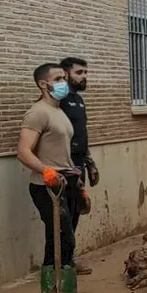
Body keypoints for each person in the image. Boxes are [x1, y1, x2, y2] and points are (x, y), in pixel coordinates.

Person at [16, 63, 80, 275]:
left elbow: (61, 150)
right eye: (58, 79)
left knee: (66, 238)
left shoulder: (58, 111)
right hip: (47, 186)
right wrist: (47, 171)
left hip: (65, 181)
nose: (64, 83)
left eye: (64, 78)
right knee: (60, 238)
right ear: (43, 84)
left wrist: (76, 180)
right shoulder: (38, 113)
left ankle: (63, 281)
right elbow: (23, 151)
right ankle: (52, 284)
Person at [59, 57, 96, 275]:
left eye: (85, 72)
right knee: (64, 216)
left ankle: (69, 259)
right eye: (79, 72)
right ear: (66, 74)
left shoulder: (78, 100)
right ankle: (61, 263)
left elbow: (82, 134)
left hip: (80, 163)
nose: (84, 76)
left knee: (75, 213)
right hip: (66, 166)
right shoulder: (60, 101)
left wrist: (90, 163)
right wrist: (69, 168)